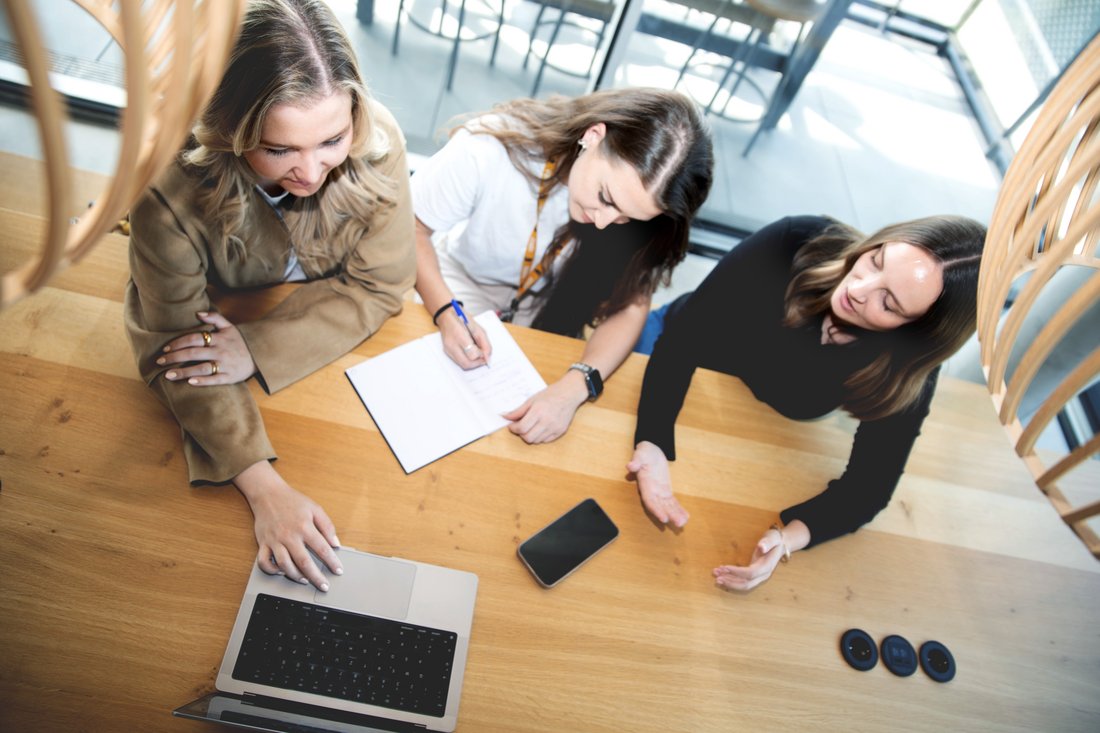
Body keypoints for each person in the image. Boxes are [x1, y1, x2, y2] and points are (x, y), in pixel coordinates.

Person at [123, 0, 416, 591]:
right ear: (228, 130)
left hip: (293, 352)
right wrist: (265, 488)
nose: (311, 172)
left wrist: (255, 345)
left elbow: (385, 284)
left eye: (332, 139)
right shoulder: (165, 187)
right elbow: (177, 345)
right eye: (279, 150)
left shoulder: (377, 137)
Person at [627, 214, 985, 591]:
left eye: (889, 304)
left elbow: (869, 489)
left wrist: (786, 540)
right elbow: (683, 341)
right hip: (674, 356)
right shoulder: (796, 242)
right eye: (876, 260)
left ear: (914, 333)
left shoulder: (903, 370)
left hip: (741, 424)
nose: (861, 289)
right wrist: (652, 441)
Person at [411, 88, 714, 444]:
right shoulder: (490, 150)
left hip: (545, 315)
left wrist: (577, 385)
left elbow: (633, 306)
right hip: (455, 283)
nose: (603, 223)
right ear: (593, 136)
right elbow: (409, 228)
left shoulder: (633, 211)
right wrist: (446, 311)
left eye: (627, 217)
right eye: (605, 197)